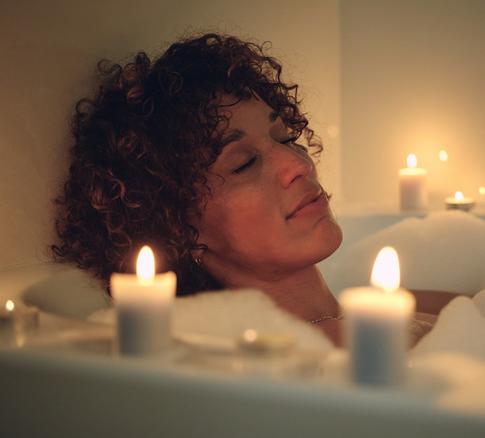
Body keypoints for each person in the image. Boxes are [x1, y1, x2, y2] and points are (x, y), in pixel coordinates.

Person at [52, 32, 439, 345]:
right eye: (244, 163)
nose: (299, 165)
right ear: (176, 226)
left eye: (285, 138)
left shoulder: (399, 313)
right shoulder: (299, 367)